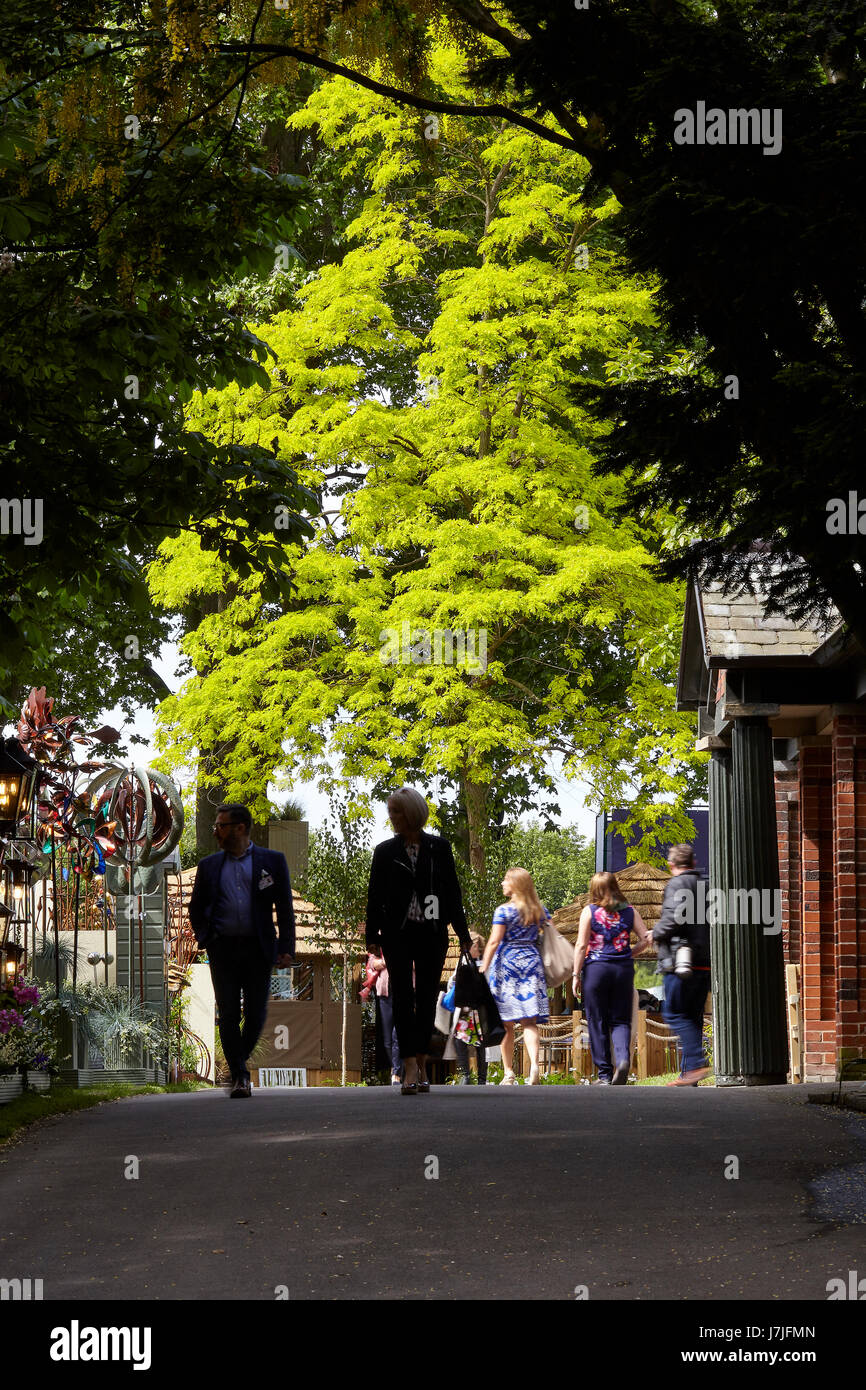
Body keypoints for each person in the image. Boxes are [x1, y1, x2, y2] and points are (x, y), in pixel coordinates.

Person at [365, 787, 472, 1095]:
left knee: (426, 998)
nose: (392, 818)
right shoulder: (385, 852)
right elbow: (375, 896)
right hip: (397, 933)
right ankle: (409, 1063)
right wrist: (373, 937)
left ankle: (422, 1061)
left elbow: (452, 895)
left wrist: (462, 935)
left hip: (431, 933)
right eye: (391, 812)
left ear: (412, 813)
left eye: (397, 812)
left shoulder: (439, 848)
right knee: (400, 997)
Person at [189, 803, 295, 1098]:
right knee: (228, 1011)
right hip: (222, 948)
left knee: (256, 1011)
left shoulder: (272, 861)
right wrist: (205, 936)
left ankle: (238, 1059)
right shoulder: (209, 866)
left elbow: (284, 908)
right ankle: (240, 1075)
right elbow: (196, 908)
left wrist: (286, 947)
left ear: (240, 828)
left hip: (258, 948)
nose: (216, 831)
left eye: (221, 826)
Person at [573, 872, 651, 1085]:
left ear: (594, 890)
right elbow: (646, 940)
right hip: (622, 970)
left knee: (597, 1021)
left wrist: (575, 974)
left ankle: (605, 1074)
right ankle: (623, 1060)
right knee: (620, 1019)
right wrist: (629, 953)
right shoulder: (629, 911)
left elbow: (581, 946)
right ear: (616, 887)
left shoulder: (589, 912)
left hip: (596, 969)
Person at [481, 867, 550, 1085]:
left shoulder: (503, 911)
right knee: (529, 1022)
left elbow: (493, 941)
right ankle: (535, 1068)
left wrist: (484, 965)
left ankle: (509, 1072)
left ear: (516, 885)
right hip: (531, 962)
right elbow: (552, 936)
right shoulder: (539, 910)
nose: (502, 883)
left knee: (507, 1024)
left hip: (507, 965)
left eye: (506, 880)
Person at [653, 844, 711, 1086]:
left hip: (680, 962)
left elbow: (673, 918)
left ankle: (696, 1065)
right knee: (694, 1017)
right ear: (694, 863)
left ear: (671, 865)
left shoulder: (676, 884)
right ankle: (689, 1074)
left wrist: (655, 932)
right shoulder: (706, 886)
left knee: (674, 1013)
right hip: (704, 962)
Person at [443, 933, 490, 1085]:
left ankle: (482, 1078)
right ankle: (465, 1075)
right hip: (465, 1010)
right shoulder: (462, 961)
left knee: (481, 1044)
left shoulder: (484, 963)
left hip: (479, 1010)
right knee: (460, 1040)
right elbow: (453, 983)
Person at [367, 951, 402, 1085]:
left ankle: (396, 1073)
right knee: (387, 1040)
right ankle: (395, 1067)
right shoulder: (381, 941)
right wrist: (385, 962)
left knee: (397, 1036)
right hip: (385, 994)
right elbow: (371, 963)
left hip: (403, 993)